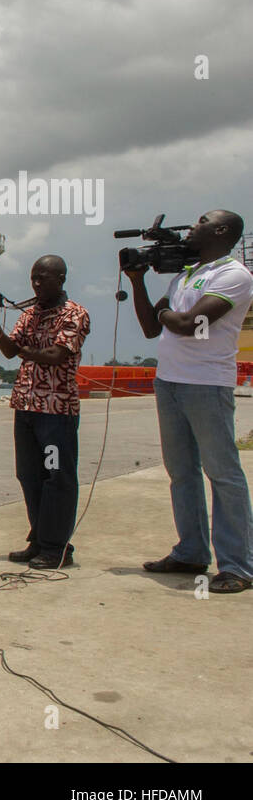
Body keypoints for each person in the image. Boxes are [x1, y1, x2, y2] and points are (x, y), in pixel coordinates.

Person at [125, 210, 253, 593]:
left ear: (222, 231)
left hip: (206, 385)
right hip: (170, 383)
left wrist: (167, 312)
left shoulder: (233, 275)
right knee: (181, 472)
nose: (191, 227)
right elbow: (151, 328)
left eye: (201, 221)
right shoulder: (186, 275)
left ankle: (238, 566)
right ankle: (191, 552)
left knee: (222, 473)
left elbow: (191, 326)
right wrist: (137, 282)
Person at [0, 255, 89, 570]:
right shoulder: (29, 314)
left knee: (57, 477)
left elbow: (55, 356)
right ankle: (39, 539)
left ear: (61, 279)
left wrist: (22, 351)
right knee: (29, 475)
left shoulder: (75, 314)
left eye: (43, 278)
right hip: (25, 408)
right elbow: (10, 350)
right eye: (33, 279)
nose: (37, 284)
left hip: (56, 411)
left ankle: (57, 548)